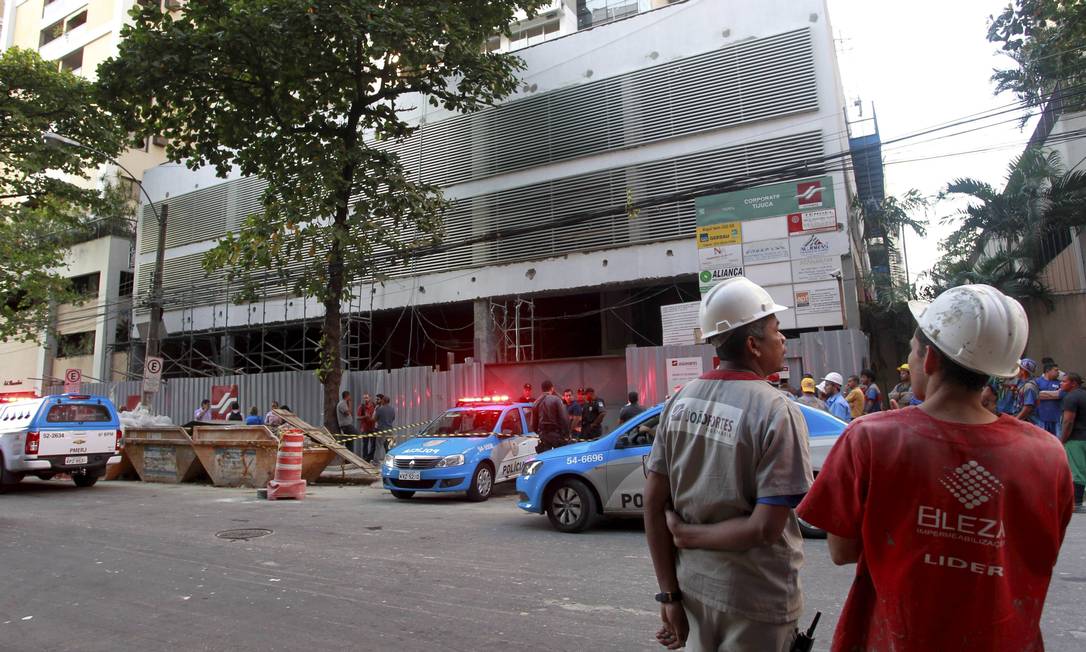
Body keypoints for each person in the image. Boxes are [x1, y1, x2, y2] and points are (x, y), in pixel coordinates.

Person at [797, 284, 1072, 651]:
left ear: (928, 360)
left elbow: (842, 551)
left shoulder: (870, 438)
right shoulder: (1048, 454)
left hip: (893, 638)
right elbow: (1034, 551)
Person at [644, 276, 812, 651]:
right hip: (758, 602)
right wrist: (687, 536)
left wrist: (668, 596)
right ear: (753, 344)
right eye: (776, 329)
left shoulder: (679, 401)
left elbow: (654, 505)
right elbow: (765, 529)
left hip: (694, 593)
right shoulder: (776, 410)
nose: (783, 339)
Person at [1060, 372, 1086, 513]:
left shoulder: (1071, 398)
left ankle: (1077, 503)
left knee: (1077, 471)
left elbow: (1068, 421)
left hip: (1076, 438)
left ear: (1073, 383)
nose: (1061, 384)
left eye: (1064, 381)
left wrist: (1062, 439)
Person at [531, 380, 570, 453]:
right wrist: (567, 434)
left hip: (543, 435)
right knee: (560, 457)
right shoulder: (556, 400)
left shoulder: (535, 403)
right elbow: (564, 419)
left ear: (542, 389)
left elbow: (533, 424)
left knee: (546, 459)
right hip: (557, 434)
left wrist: (540, 433)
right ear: (552, 388)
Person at [1036, 362, 1062, 435]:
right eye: (1056, 370)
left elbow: (1060, 394)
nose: (1058, 373)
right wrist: (1054, 394)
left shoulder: (1060, 383)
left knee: (1056, 441)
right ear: (1048, 371)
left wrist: (1042, 393)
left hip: (1056, 419)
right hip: (1040, 418)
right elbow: (1035, 395)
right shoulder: (1037, 381)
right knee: (1041, 440)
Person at [1013, 358, 1041, 426]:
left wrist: (1015, 421)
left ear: (1023, 371)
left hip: (1027, 423)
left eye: (1019, 368)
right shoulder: (1022, 383)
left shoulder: (1029, 387)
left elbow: (1028, 408)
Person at [358, 393, 377, 462]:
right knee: (365, 444)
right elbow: (358, 417)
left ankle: (370, 458)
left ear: (370, 398)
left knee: (373, 445)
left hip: (373, 427)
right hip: (365, 428)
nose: (366, 399)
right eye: (364, 398)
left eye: (367, 397)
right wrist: (365, 417)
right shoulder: (362, 406)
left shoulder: (374, 405)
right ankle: (365, 459)